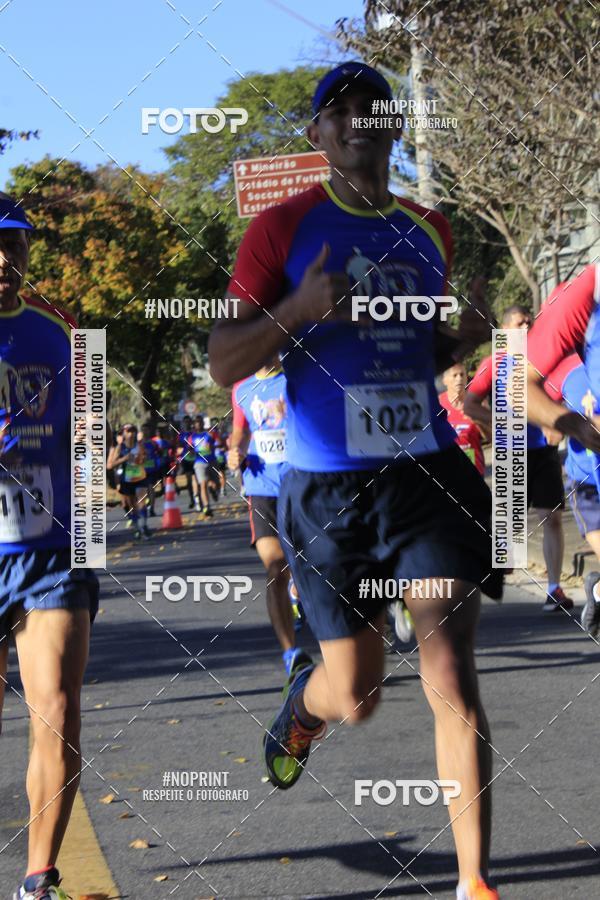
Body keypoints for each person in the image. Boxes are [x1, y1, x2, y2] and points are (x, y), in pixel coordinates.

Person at [209, 62, 500, 900]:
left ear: (394, 125)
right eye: (338, 111)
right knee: (360, 695)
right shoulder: (280, 230)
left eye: (373, 106)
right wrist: (296, 311)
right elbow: (226, 359)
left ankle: (473, 882)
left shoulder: (429, 231)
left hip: (425, 477)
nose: (358, 120)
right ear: (317, 136)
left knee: (450, 672)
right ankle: (307, 705)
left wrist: (464, 339)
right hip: (327, 491)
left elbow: (419, 356)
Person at [0, 193, 99, 900]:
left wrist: (88, 547)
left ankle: (39, 879)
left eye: (16, 246)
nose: (6, 261)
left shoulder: (64, 335)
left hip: (50, 552)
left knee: (56, 707)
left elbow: (90, 445)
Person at [465, 305, 573, 612]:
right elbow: (471, 404)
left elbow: (560, 394)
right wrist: (499, 422)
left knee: (550, 516)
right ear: (504, 329)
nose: (526, 326)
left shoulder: (546, 359)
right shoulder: (493, 363)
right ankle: (491, 571)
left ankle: (554, 588)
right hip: (509, 452)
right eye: (518, 323)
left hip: (543, 451)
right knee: (508, 527)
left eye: (529, 321)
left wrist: (558, 423)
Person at [525, 264, 600, 630]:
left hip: (552, 456)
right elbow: (518, 388)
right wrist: (573, 424)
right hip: (581, 470)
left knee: (550, 517)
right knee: (544, 517)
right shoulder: (564, 368)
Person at [229, 358, 310, 675]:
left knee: (307, 562)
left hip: (300, 482)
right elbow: (239, 432)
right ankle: (291, 654)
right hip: (261, 488)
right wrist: (234, 450)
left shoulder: (297, 378)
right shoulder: (242, 389)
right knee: (276, 567)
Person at [439, 362, 487, 476]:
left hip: (475, 469)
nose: (459, 379)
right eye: (454, 375)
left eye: (462, 375)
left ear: (467, 377)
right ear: (445, 380)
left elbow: (492, 437)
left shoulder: (477, 403)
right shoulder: (438, 404)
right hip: (447, 469)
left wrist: (478, 421)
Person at [107, 424, 150, 539]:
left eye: (132, 431)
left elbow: (145, 458)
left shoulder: (139, 445)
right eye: (128, 431)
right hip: (126, 480)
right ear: (123, 434)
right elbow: (110, 465)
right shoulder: (120, 448)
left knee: (141, 502)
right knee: (132, 506)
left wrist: (142, 459)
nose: (131, 434)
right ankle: (137, 527)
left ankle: (144, 526)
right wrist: (124, 458)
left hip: (140, 478)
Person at [191, 415, 215, 516]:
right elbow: (189, 449)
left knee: (214, 484)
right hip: (199, 462)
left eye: (200, 422)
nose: (198, 424)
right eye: (196, 422)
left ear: (203, 423)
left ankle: (213, 490)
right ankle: (206, 506)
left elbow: (214, 445)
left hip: (211, 461)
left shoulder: (208, 434)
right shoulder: (192, 437)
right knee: (203, 484)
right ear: (194, 424)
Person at [138, 421, 160, 516]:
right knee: (143, 490)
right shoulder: (138, 444)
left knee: (151, 488)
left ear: (149, 431)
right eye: (143, 430)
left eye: (146, 430)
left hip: (151, 469)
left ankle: (152, 508)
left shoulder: (153, 443)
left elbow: (159, 453)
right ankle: (144, 506)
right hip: (142, 471)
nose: (145, 432)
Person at [178, 414, 197, 509]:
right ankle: (192, 499)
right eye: (185, 422)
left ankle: (198, 498)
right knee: (189, 481)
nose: (187, 424)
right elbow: (178, 447)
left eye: (188, 422)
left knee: (197, 480)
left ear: (191, 423)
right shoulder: (180, 435)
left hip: (197, 459)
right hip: (186, 459)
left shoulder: (195, 433)